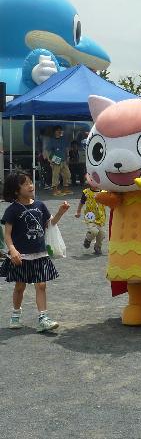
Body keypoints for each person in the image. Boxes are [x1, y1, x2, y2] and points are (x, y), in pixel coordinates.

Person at [0, 172, 70, 332]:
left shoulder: (40, 205)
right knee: (19, 286)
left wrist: (60, 212)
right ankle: (15, 314)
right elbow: (7, 234)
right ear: (16, 190)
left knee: (41, 285)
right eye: (26, 184)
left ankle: (43, 317)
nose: (31, 185)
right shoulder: (13, 210)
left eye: (31, 182)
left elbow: (49, 224)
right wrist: (12, 250)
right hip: (21, 256)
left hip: (40, 253)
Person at [74, 181, 107, 255]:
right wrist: (78, 211)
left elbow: (109, 201)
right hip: (90, 215)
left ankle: (97, 247)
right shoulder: (86, 192)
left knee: (101, 234)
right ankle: (88, 239)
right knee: (94, 231)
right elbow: (81, 202)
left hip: (100, 216)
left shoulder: (104, 192)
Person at [45, 125, 72, 196]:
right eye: (58, 130)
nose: (59, 131)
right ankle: (55, 191)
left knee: (67, 174)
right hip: (55, 159)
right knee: (55, 175)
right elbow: (47, 151)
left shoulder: (63, 139)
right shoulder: (51, 140)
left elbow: (66, 149)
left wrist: (68, 156)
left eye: (60, 130)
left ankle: (65, 189)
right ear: (54, 132)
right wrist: (49, 159)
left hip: (63, 159)